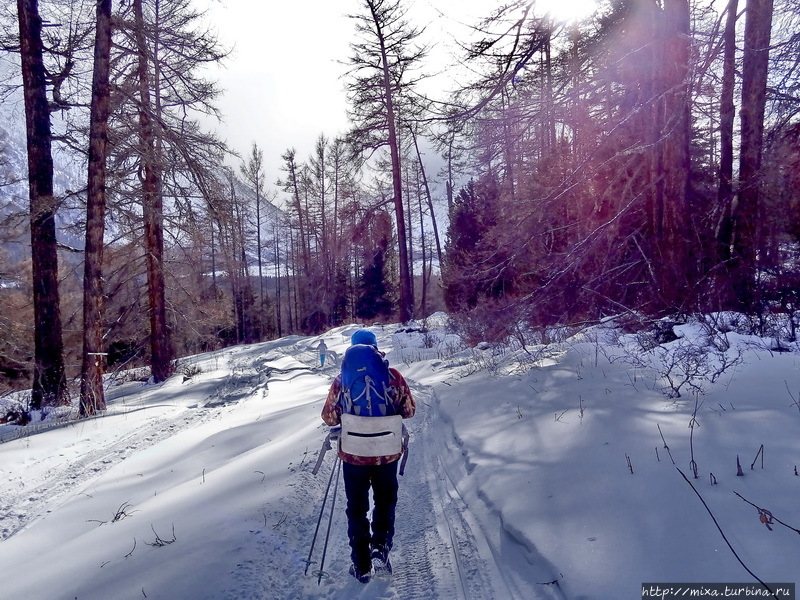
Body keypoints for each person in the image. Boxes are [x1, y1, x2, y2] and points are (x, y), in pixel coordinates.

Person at [320, 330, 415, 583]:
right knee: (385, 502)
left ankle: (360, 564)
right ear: (376, 349)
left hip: (354, 455)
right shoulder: (393, 376)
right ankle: (380, 550)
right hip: (386, 454)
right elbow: (409, 410)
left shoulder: (342, 380)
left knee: (357, 508)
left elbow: (328, 417)